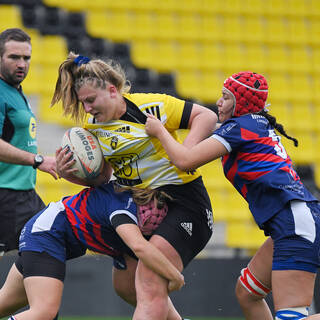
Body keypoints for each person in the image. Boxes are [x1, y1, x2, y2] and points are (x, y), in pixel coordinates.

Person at [51, 52, 217, 320]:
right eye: (84, 103)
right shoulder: (92, 126)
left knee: (150, 283)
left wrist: (184, 154)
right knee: (127, 287)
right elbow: (103, 178)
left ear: (113, 91)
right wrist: (69, 173)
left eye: (91, 100)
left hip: (186, 205)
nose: (88, 109)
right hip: (143, 209)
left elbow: (207, 117)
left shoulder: (151, 107)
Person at [145, 71, 320, 320]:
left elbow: (184, 161)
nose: (219, 102)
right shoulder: (249, 125)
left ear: (242, 104)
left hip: (294, 223)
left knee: (292, 318)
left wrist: (160, 131)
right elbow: (208, 127)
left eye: (226, 97)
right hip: (291, 220)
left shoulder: (242, 127)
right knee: (247, 293)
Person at [0, 179, 185, 320]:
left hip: (46, 233)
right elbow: (140, 247)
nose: (156, 213)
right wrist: (175, 276)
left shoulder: (132, 218)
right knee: (44, 311)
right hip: (47, 234)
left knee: (6, 302)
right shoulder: (123, 207)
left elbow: (137, 288)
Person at [0, 28, 57, 256]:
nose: (22, 63)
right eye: (14, 57)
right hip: (6, 196)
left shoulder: (16, 92)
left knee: (51, 245)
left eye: (26, 57)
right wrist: (38, 160)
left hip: (25, 195)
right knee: (43, 251)